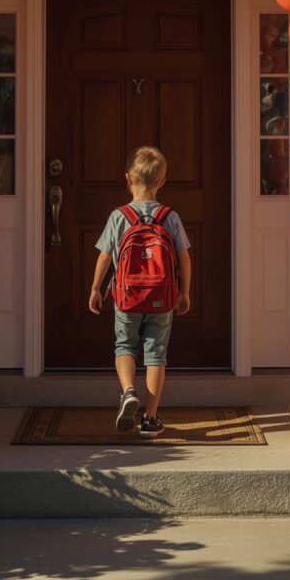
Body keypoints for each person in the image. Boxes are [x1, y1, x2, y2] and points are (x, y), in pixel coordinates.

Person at [88, 145, 191, 438]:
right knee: (156, 353)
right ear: (162, 182)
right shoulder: (170, 216)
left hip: (126, 297)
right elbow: (184, 257)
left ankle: (129, 390)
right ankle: (150, 418)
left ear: (128, 179)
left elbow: (105, 256)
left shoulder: (119, 216)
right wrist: (184, 292)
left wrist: (96, 288)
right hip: (162, 297)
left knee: (124, 346)